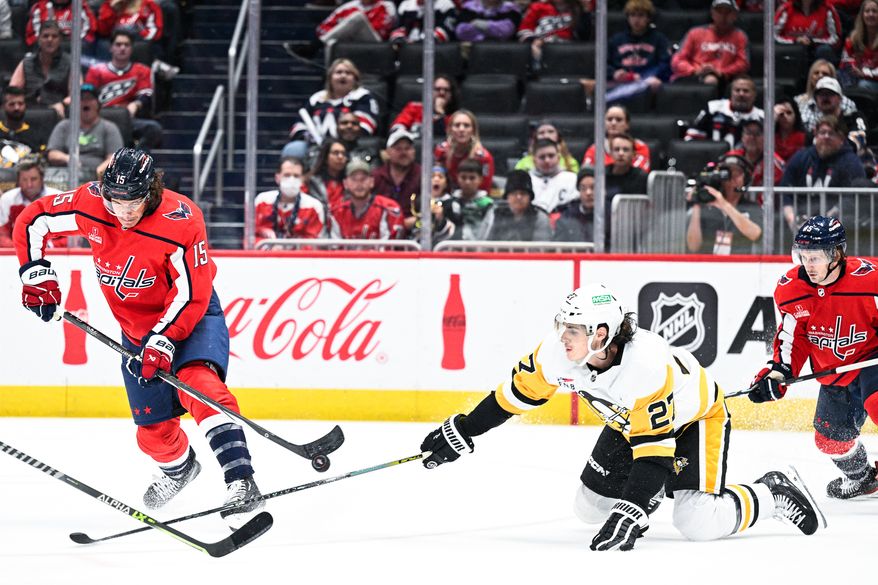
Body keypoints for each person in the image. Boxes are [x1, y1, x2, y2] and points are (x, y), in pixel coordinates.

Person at [420, 283, 823, 551]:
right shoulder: (556, 353)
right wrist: (464, 430)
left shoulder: (644, 366)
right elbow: (514, 396)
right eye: (561, 325)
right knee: (590, 508)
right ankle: (664, 489)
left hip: (694, 421)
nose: (562, 337)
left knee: (697, 521)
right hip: (628, 424)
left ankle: (772, 492)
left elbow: (654, 452)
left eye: (572, 329)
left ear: (601, 334)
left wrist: (634, 507)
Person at [12, 147, 265, 528]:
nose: (124, 212)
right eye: (116, 201)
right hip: (135, 331)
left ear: (151, 191)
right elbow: (33, 220)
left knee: (199, 386)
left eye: (133, 202)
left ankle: (241, 481)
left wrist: (164, 339)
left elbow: (193, 293)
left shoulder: (182, 221)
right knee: (153, 430)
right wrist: (35, 273)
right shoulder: (91, 204)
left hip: (190, 319)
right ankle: (180, 470)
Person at [749, 216, 878, 499]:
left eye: (816, 257)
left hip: (872, 359)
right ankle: (865, 478)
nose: (808, 264)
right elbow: (793, 338)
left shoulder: (870, 281)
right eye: (803, 256)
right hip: (834, 371)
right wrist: (778, 372)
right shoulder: (791, 290)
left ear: (837, 255)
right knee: (830, 440)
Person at [780, 115, 866, 232]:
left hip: (837, 231)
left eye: (832, 133)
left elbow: (854, 199)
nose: (826, 137)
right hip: (799, 226)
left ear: (841, 138)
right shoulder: (801, 157)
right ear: (815, 134)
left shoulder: (851, 163)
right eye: (822, 132)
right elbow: (785, 192)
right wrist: (792, 220)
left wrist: (823, 224)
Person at [282, 59, 380, 160]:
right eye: (338, 72)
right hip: (316, 146)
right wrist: (307, 136)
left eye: (348, 73)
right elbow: (299, 125)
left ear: (355, 78)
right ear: (330, 78)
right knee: (294, 149)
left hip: (350, 145)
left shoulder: (362, 97)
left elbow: (366, 125)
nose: (343, 76)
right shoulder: (317, 99)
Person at [84, 27, 163, 151]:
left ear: (132, 48)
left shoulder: (141, 70)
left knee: (153, 129)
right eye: (118, 44)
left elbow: (146, 94)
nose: (122, 48)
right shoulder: (96, 70)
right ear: (111, 48)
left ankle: (135, 164)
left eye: (126, 45)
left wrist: (136, 105)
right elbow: (87, 96)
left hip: (129, 119)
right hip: (101, 119)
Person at [686, 153, 763, 254]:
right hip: (709, 265)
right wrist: (696, 203)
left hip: (741, 266)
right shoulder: (707, 207)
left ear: (746, 178)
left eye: (737, 173)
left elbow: (756, 234)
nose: (732, 177)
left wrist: (724, 205)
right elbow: (693, 247)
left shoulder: (752, 207)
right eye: (727, 172)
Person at [46, 84, 124, 182]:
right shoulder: (64, 126)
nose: (85, 102)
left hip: (97, 177)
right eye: (81, 99)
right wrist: (68, 158)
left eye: (90, 98)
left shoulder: (109, 128)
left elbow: (114, 158)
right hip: (67, 176)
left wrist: (98, 173)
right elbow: (52, 154)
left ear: (98, 104)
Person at [603, 0, 672, 103]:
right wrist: (614, 73)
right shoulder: (616, 40)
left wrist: (648, 76)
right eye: (633, 15)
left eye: (641, 15)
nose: (636, 20)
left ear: (648, 18)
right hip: (619, 84)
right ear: (628, 17)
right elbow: (603, 63)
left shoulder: (659, 40)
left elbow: (665, 64)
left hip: (647, 83)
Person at [670, 0, 749, 87]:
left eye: (728, 12)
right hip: (694, 76)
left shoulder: (740, 36)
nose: (723, 16)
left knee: (711, 81)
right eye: (719, 12)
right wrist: (695, 70)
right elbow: (677, 60)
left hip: (725, 79)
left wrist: (721, 72)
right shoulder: (695, 33)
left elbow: (743, 63)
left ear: (735, 15)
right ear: (712, 14)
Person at [10, 21, 74, 120]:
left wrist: (63, 104)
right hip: (29, 114)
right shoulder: (26, 63)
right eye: (45, 36)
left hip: (58, 114)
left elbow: (77, 95)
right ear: (39, 39)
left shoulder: (70, 63)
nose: (50, 40)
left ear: (60, 40)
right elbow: (12, 92)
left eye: (54, 36)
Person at [255, 157, 326, 245]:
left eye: (296, 176)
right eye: (287, 175)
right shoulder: (262, 200)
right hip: (265, 256)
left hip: (300, 257)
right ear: (277, 178)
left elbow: (314, 243)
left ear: (302, 179)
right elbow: (251, 237)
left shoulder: (314, 206)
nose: (291, 180)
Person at [328, 158, 405, 239]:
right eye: (354, 179)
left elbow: (392, 247)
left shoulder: (389, 208)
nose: (359, 184)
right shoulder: (336, 211)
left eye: (363, 179)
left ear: (372, 182)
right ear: (345, 184)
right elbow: (335, 248)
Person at [684, 75, 764, 149]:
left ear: (754, 94)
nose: (741, 94)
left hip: (745, 162)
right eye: (737, 90)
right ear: (731, 92)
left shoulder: (761, 117)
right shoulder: (713, 108)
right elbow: (692, 139)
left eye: (746, 91)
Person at [0, 158, 62, 247]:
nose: (29, 184)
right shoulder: (7, 199)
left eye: (33, 179)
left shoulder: (58, 198)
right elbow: (2, 234)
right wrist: (18, 249)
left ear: (42, 179)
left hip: (54, 254)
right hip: (17, 255)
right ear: (18, 181)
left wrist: (49, 247)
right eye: (24, 180)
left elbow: (72, 237)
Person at [477, 170, 552, 241]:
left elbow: (541, 249)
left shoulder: (540, 217)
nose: (519, 197)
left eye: (523, 193)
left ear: (530, 197)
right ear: (507, 197)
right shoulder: (494, 214)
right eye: (514, 193)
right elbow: (483, 244)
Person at [371, 128, 421, 230]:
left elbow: (431, 213)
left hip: (414, 231)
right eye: (398, 149)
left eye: (407, 148)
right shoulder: (376, 176)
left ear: (414, 151)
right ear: (388, 152)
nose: (403, 152)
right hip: (379, 229)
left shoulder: (423, 175)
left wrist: (413, 223)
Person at [434, 109, 495, 192]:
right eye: (457, 125)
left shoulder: (483, 158)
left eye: (466, 125)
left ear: (473, 130)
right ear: (450, 129)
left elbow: (484, 190)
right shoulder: (441, 151)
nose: (461, 129)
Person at [517, 0, 590, 64]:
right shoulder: (538, 7)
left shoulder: (577, 8)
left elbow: (584, 36)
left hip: (569, 53)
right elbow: (524, 30)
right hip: (541, 51)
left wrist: (585, 10)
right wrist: (534, 40)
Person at [390, 74, 460, 140]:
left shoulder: (456, 116)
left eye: (446, 90)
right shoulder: (414, 107)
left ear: (451, 94)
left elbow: (451, 138)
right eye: (437, 89)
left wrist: (440, 113)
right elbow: (397, 127)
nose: (442, 93)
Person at [583, 104, 651, 173]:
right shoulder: (595, 149)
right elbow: (586, 175)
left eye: (619, 120)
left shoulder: (639, 147)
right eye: (609, 119)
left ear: (627, 124)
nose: (613, 123)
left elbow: (639, 174)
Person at [795, 60, 858, 131]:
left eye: (825, 74)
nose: (820, 76)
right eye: (816, 73)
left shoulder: (847, 103)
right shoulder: (798, 101)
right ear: (811, 77)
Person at [725, 118, 785, 189]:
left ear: (766, 138)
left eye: (757, 134)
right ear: (742, 137)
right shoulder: (731, 157)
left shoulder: (774, 162)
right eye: (748, 133)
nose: (752, 137)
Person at [774, 0, 842, 62]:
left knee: (824, 50)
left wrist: (813, 41)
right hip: (792, 50)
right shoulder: (786, 8)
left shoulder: (827, 9)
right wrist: (795, 40)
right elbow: (773, 36)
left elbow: (836, 38)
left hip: (817, 51)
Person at [528, 138, 578, 213]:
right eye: (542, 157)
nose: (547, 160)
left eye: (551, 156)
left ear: (558, 157)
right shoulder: (526, 180)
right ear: (534, 160)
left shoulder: (572, 179)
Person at [450, 158, 493, 240]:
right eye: (463, 177)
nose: (467, 182)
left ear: (480, 179)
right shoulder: (450, 201)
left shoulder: (487, 204)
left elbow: (488, 229)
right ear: (457, 178)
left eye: (472, 178)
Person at [24, 0, 97, 49]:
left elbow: (89, 35)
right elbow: (32, 37)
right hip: (46, 51)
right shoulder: (40, 7)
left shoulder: (80, 6)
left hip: (74, 49)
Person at [0, 86, 51, 156]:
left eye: (20, 103)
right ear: (3, 106)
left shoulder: (37, 134)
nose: (17, 108)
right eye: (12, 104)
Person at [839, 0, 878, 91]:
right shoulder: (853, 39)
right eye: (867, 11)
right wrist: (852, 67)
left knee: (863, 85)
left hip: (873, 81)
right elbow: (844, 61)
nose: (870, 14)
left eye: (874, 11)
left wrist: (863, 73)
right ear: (862, 15)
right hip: (857, 77)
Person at [515, 120, 579, 173]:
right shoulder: (523, 163)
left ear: (558, 136)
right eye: (541, 133)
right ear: (535, 138)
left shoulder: (571, 163)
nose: (546, 136)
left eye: (550, 132)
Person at [553, 166, 595, 242]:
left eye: (593, 187)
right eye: (583, 188)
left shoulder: (612, 215)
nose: (588, 193)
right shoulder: (567, 217)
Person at [389, 0, 457, 44]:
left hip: (435, 52)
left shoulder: (445, 5)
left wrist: (419, 42)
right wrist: (401, 40)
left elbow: (444, 32)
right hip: (408, 50)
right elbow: (398, 29)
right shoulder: (406, 5)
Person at [308, 138, 348, 208]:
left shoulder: (350, 181)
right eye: (336, 153)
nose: (340, 157)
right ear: (326, 158)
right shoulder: (312, 182)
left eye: (343, 154)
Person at [455, 0, 521, 42]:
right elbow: (461, 32)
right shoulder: (469, 8)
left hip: (505, 53)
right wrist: (494, 34)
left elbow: (507, 31)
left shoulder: (511, 9)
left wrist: (481, 25)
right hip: (474, 54)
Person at [774, 96, 807, 162]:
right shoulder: (770, 138)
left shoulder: (805, 138)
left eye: (789, 113)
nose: (785, 116)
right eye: (781, 114)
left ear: (795, 115)